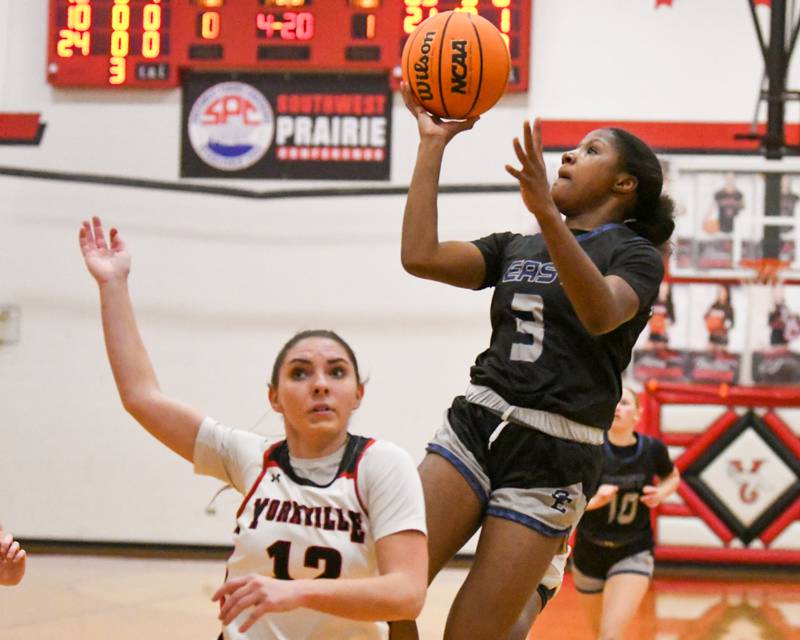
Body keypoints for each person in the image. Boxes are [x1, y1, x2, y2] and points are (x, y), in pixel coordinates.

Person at [391, 83, 675, 640]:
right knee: (386, 581)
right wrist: (432, 144)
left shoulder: (635, 256)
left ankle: (539, 580)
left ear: (625, 183)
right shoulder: (515, 246)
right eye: (572, 147)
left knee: (472, 634)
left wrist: (547, 214)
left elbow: (600, 314)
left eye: (591, 150)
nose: (568, 155)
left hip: (557, 449)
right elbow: (419, 255)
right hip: (478, 419)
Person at [78, 218, 427, 640]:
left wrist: (296, 593)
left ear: (357, 394)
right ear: (274, 398)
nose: (319, 383)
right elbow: (141, 396)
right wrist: (113, 285)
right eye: (300, 373)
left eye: (336, 372)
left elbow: (407, 593)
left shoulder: (382, 465)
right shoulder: (250, 456)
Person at [571, 387, 680, 640]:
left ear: (638, 414)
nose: (618, 407)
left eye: (626, 403)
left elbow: (672, 477)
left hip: (633, 550)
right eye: (614, 402)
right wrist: (595, 500)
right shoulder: (590, 449)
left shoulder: (652, 449)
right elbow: (569, 502)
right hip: (589, 550)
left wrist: (661, 494)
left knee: (610, 636)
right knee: (599, 633)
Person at [704, 284, 734, 353]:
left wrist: (725, 324)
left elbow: (731, 323)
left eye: (723, 292)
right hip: (712, 337)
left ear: (727, 293)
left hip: (722, 338)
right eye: (720, 292)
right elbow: (706, 316)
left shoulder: (729, 308)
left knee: (721, 356)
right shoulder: (714, 305)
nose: (722, 294)